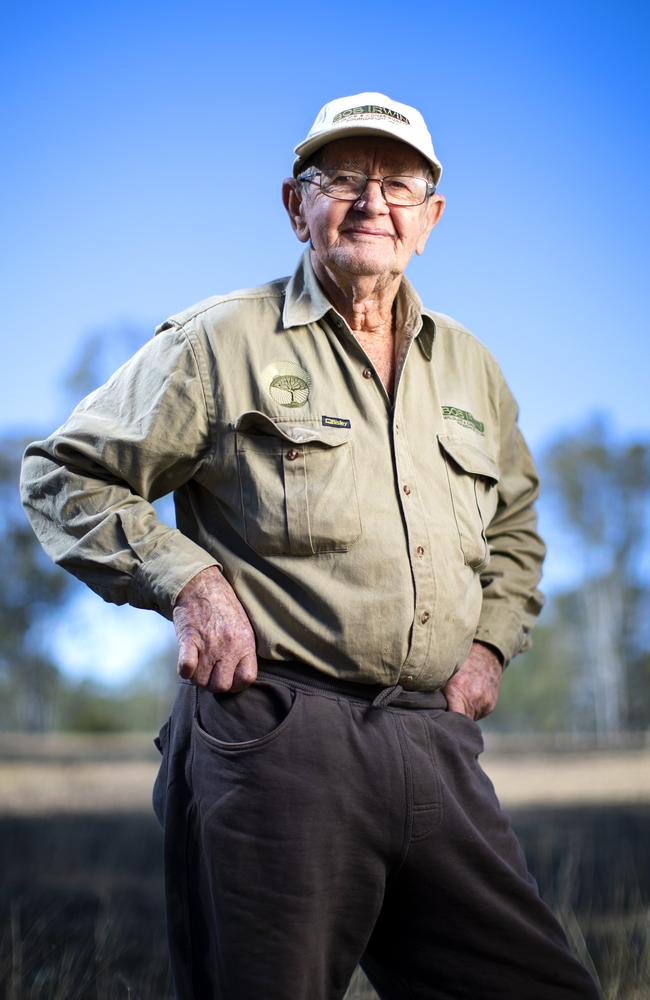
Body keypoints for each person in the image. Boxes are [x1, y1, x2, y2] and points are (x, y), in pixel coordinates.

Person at [21, 92, 600, 999]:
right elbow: (64, 476)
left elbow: (516, 526)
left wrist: (490, 641)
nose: (374, 201)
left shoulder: (471, 368)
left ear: (431, 218)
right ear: (297, 205)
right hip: (278, 734)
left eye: (400, 182)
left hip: (432, 742)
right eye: (345, 178)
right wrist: (190, 583)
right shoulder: (223, 340)